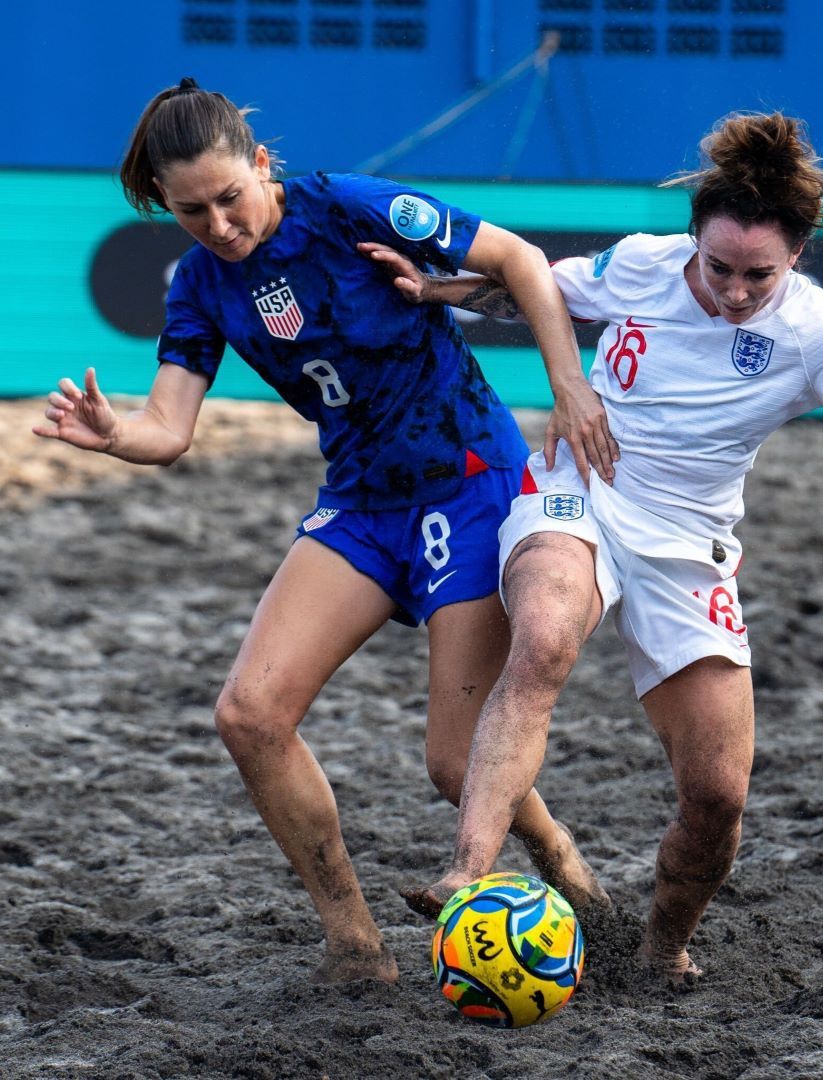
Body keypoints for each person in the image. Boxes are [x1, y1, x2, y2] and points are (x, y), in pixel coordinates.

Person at [360, 111, 823, 984]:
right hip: (580, 490)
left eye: (758, 275)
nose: (734, 290)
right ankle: (469, 871)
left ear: (798, 258)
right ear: (691, 239)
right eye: (718, 266)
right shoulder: (641, 264)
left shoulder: (815, 333)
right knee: (545, 634)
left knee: (718, 799)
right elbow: (535, 291)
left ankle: (657, 951)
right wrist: (434, 290)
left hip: (690, 544)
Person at [32, 78, 618, 985]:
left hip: (466, 482)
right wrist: (115, 435)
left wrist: (568, 381)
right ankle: (354, 941)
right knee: (248, 715)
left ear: (262, 164)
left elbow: (521, 260)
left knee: (456, 763)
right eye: (192, 212)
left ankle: (557, 854)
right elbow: (170, 428)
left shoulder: (348, 205)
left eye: (231, 198)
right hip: (361, 500)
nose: (220, 226)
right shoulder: (199, 286)